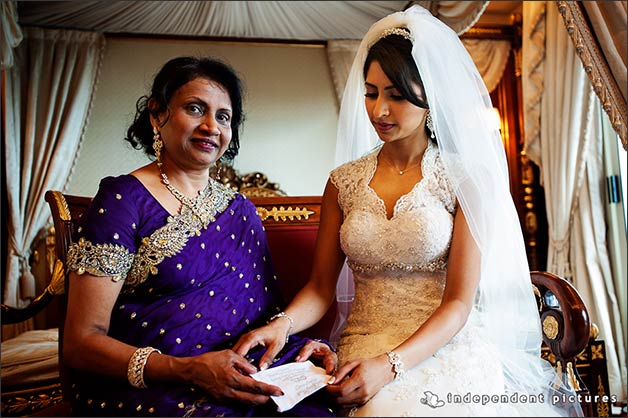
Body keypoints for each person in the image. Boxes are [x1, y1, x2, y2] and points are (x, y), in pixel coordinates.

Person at [234, 6, 583, 417]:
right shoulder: (342, 181)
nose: (380, 110)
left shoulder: (465, 178)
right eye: (371, 92)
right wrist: (283, 324)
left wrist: (391, 365)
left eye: (396, 96)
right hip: (362, 344)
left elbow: (457, 303)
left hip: (444, 348)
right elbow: (320, 286)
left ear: (429, 97)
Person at [62, 56, 337, 417]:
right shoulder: (122, 200)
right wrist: (188, 369)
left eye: (224, 117)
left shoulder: (240, 211)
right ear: (157, 115)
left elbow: (262, 320)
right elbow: (82, 343)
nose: (211, 126)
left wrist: (296, 348)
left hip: (248, 373)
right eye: (195, 109)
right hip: (159, 386)